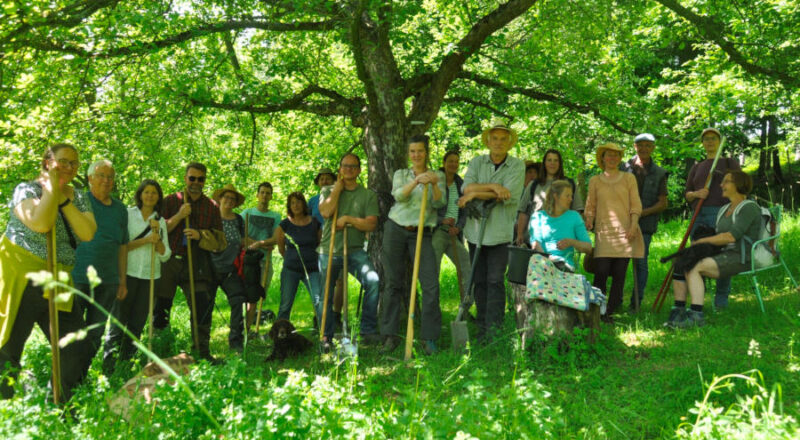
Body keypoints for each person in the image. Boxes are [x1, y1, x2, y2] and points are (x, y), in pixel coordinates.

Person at [0, 143, 96, 400]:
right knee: (7, 346)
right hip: (22, 274)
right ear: (47, 161)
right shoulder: (27, 190)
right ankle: (6, 411)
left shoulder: (79, 196)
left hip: (60, 277)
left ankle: (61, 403)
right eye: (63, 161)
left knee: (76, 346)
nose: (69, 167)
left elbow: (87, 233)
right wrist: (51, 189)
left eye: (74, 163)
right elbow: (41, 223)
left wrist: (63, 199)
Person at [665, 170, 759, 328]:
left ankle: (696, 316)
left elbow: (731, 237)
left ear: (738, 185)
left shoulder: (749, 207)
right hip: (723, 253)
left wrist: (703, 240)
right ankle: (679, 311)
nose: (721, 185)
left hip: (741, 257)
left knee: (695, 267)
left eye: (726, 182)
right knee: (682, 261)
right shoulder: (724, 209)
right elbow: (718, 236)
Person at [458, 121, 525, 343]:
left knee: (495, 280)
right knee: (479, 280)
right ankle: (483, 327)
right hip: (475, 233)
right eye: (494, 139)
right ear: (488, 141)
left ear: (509, 143)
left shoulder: (517, 165)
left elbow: (508, 195)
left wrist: (477, 193)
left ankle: (494, 329)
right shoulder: (477, 162)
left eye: (502, 139)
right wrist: (494, 187)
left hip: (500, 233)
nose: (498, 143)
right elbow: (465, 188)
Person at [380, 135, 446, 355]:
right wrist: (417, 181)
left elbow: (439, 203)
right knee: (392, 283)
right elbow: (399, 196)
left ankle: (429, 338)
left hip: (422, 233)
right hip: (396, 229)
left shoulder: (438, 176)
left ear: (426, 152)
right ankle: (389, 335)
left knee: (430, 285)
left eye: (420, 151)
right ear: (409, 154)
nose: (416, 155)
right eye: (412, 151)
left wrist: (434, 183)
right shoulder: (402, 174)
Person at [153, 162, 223, 362]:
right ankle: (160, 351)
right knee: (161, 307)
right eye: (192, 178)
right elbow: (156, 230)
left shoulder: (212, 207)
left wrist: (200, 235)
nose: (196, 182)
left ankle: (202, 353)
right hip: (169, 261)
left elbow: (220, 242)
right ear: (185, 178)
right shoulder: (170, 201)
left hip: (197, 263)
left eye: (200, 179)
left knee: (202, 306)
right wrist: (179, 216)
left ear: (204, 181)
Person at [103, 179, 170, 372]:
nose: (150, 196)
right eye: (146, 192)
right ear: (140, 194)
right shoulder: (128, 215)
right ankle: (108, 368)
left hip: (150, 277)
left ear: (158, 197)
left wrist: (157, 243)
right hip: (128, 274)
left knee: (137, 324)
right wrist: (146, 240)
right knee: (117, 322)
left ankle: (126, 365)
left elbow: (165, 255)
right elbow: (120, 246)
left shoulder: (161, 221)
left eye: (154, 193)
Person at [318, 153, 381, 351]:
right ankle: (326, 336)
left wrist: (348, 220)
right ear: (340, 170)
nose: (349, 169)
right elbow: (326, 212)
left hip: (354, 251)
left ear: (359, 170)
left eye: (353, 166)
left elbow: (371, 224)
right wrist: (337, 187)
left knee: (373, 281)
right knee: (325, 294)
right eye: (345, 166)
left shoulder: (367, 195)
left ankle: (367, 330)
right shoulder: (328, 189)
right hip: (328, 250)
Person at [72, 159, 129, 373]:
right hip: (77, 277)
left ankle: (80, 375)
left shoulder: (120, 210)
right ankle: (65, 376)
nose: (106, 181)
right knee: (72, 331)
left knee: (95, 332)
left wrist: (122, 280)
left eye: (110, 177)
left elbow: (123, 246)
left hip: (108, 280)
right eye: (101, 175)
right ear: (90, 179)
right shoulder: (78, 202)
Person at [584, 143, 644, 322]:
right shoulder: (595, 180)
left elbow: (635, 204)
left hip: (626, 231)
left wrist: (633, 225)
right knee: (601, 271)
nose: (612, 158)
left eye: (616, 155)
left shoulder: (628, 178)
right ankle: (597, 309)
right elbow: (590, 205)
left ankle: (610, 311)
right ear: (602, 158)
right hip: (604, 232)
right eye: (608, 155)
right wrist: (588, 219)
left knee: (619, 273)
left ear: (620, 159)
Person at [684, 127, 740, 309]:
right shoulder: (697, 167)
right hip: (700, 216)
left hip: (723, 213)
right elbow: (687, 195)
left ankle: (721, 301)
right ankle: (697, 300)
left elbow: (742, 186)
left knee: (723, 256)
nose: (710, 142)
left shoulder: (729, 163)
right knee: (696, 256)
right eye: (706, 139)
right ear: (702, 143)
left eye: (713, 138)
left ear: (719, 141)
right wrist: (696, 194)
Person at [621, 133, 668, 311]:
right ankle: (615, 301)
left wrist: (640, 213)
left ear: (653, 148)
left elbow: (663, 203)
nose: (644, 149)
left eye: (648, 145)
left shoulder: (659, 172)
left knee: (640, 261)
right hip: (622, 223)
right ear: (635, 147)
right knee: (620, 262)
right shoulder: (623, 168)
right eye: (641, 145)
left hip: (646, 224)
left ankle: (636, 303)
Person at [209, 184, 249, 351]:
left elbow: (243, 241)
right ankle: (201, 343)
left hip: (231, 269)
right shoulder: (211, 217)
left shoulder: (239, 220)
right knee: (205, 306)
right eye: (226, 197)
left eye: (233, 199)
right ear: (219, 199)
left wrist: (262, 244)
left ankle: (236, 340)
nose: (229, 201)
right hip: (211, 268)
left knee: (238, 301)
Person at [515, 149, 583, 246]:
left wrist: (578, 236)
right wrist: (520, 234)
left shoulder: (569, 184)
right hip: (535, 240)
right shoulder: (534, 184)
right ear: (544, 163)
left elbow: (577, 211)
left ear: (560, 164)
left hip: (561, 240)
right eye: (549, 160)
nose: (552, 163)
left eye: (556, 160)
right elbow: (523, 212)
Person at [275, 192, 323, 324]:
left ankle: (324, 334)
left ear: (304, 203)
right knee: (286, 304)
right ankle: (280, 334)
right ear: (289, 206)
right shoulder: (284, 224)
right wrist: (292, 259)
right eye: (292, 203)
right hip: (291, 270)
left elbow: (319, 243)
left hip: (312, 269)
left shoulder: (314, 222)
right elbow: (281, 248)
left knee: (318, 301)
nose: (296, 205)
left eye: (298, 201)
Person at [432, 150, 471, 302]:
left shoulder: (460, 184)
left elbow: (464, 212)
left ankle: (465, 307)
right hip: (438, 231)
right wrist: (441, 220)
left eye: (456, 161)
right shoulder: (435, 181)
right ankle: (432, 307)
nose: (453, 164)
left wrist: (459, 227)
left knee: (466, 265)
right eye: (450, 161)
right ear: (444, 163)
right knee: (433, 269)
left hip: (453, 233)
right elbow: (427, 209)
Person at [240, 182, 280, 329]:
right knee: (247, 294)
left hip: (265, 260)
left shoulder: (275, 216)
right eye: (262, 192)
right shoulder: (246, 213)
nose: (264, 195)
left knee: (258, 294)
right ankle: (242, 327)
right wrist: (261, 243)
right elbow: (241, 236)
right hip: (248, 260)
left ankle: (250, 328)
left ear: (271, 196)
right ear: (257, 195)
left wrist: (261, 244)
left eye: (268, 193)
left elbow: (276, 238)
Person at [529, 180, 592, 272]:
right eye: (567, 196)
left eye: (571, 196)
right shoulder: (538, 217)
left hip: (565, 268)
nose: (571, 199)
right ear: (556, 196)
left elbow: (588, 248)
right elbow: (536, 244)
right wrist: (549, 261)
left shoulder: (574, 217)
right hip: (541, 266)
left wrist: (572, 242)